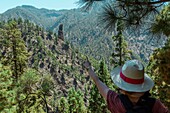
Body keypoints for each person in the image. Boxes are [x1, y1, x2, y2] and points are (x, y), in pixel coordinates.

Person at [83, 59, 169, 113]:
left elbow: (97, 81)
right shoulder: (155, 104)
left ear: (122, 89)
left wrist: (89, 68)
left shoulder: (116, 102)